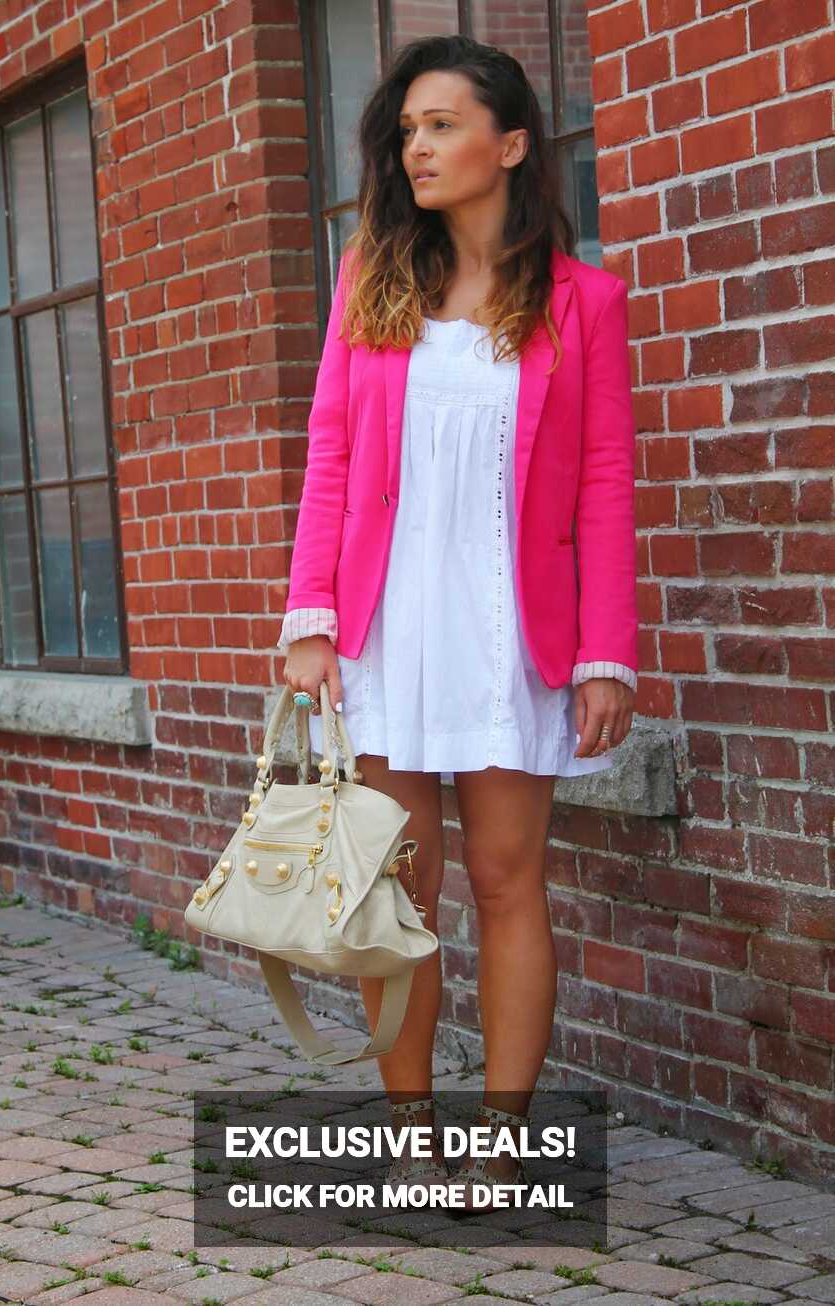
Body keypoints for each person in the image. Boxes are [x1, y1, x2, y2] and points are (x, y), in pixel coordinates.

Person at [277, 34, 638, 1212]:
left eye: (441, 124)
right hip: (389, 628)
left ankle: (502, 1141)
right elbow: (330, 451)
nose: (415, 147)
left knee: (503, 878)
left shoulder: (585, 304)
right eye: (407, 130)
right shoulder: (369, 278)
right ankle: (412, 1133)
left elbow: (602, 482)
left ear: (511, 142)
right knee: (403, 889)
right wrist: (311, 616)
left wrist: (603, 653)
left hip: (509, 629)